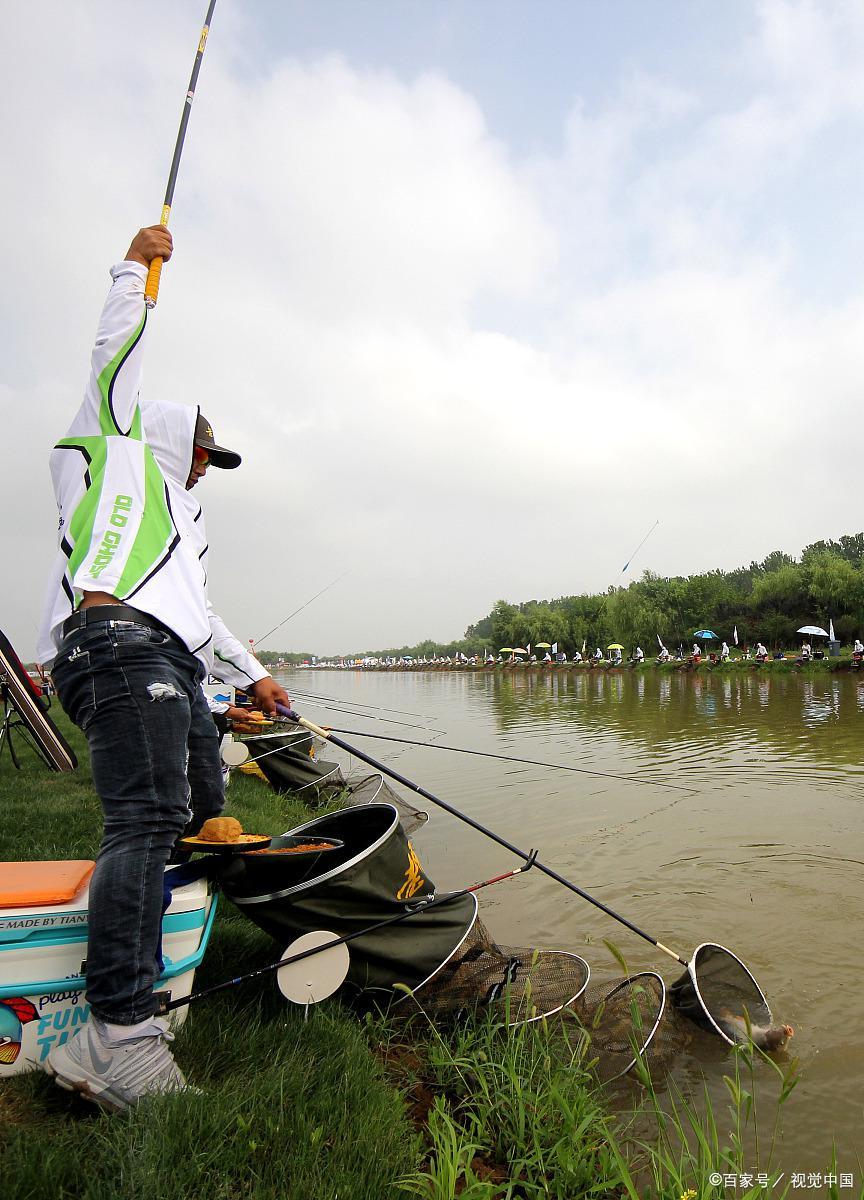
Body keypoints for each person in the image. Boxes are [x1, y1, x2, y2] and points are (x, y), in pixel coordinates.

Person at [37, 227, 292, 1111]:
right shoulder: (111, 453)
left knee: (199, 802)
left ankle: (162, 942)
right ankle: (117, 1030)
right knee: (143, 819)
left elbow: (203, 617)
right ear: (169, 436)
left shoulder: (184, 523)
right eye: (202, 451)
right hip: (118, 645)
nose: (207, 466)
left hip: (170, 658)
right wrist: (134, 272)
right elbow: (113, 362)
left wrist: (252, 675)